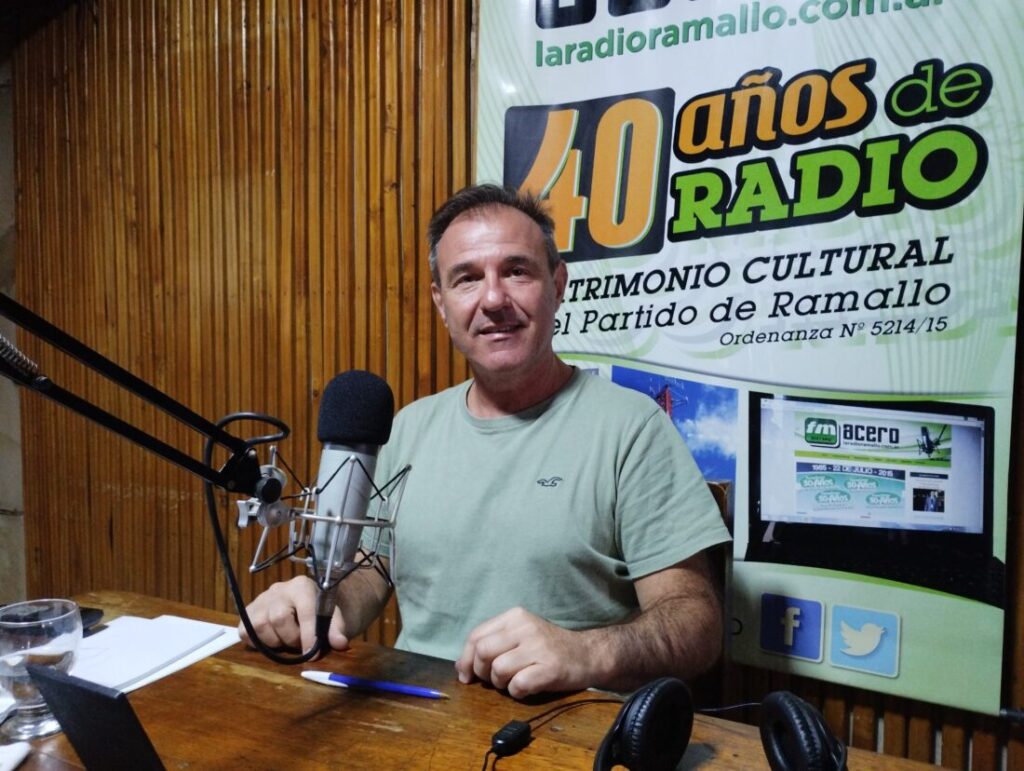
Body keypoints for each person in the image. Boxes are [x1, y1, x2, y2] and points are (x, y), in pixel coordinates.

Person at [239, 184, 731, 699]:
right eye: (467, 278)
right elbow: (371, 572)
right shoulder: (409, 427)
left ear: (557, 285)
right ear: (442, 303)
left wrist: (587, 653)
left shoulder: (632, 428)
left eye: (517, 271)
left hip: (562, 726)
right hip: (415, 713)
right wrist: (320, 603)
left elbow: (696, 623)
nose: (494, 299)